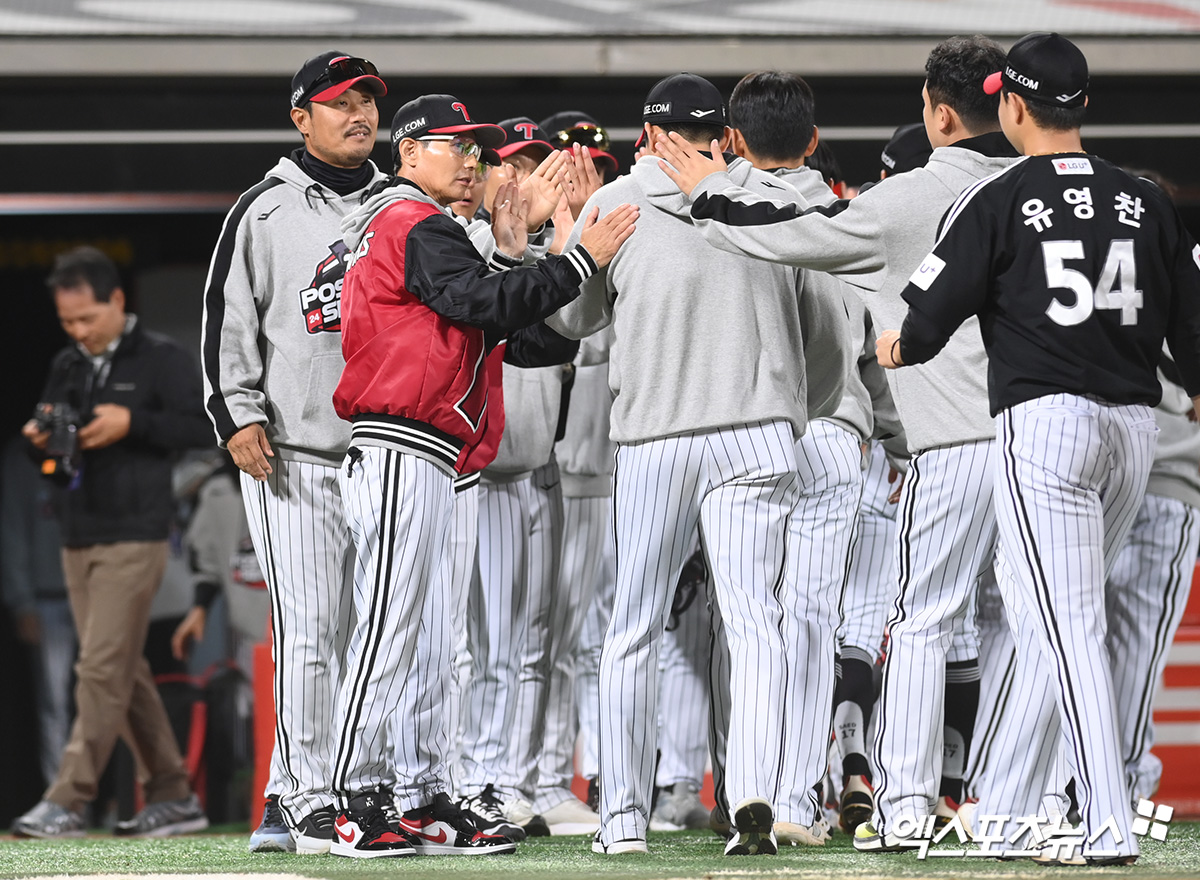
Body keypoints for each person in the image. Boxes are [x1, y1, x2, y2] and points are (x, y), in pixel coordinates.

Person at [654, 36, 1018, 850]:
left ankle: (856, 800)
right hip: (1002, 433)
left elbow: (789, 238)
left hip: (823, 432)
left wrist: (714, 191)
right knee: (1026, 631)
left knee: (822, 622)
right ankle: (1005, 800)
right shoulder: (1030, 188)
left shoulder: (892, 204)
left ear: (939, 112)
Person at [876, 31, 1200, 865]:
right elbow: (1192, 345)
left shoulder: (998, 196)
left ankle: (1103, 819)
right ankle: (1012, 808)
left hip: (1047, 428)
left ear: (1011, 106)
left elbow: (920, 327)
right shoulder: (1148, 198)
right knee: (1046, 622)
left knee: (1066, 631)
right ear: (1082, 104)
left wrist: (894, 347)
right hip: (1134, 432)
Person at [325, 93, 635, 858]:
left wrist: (523, 251)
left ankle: (427, 791)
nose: (470, 161)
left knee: (434, 641)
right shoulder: (409, 220)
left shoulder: (430, 229)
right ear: (408, 154)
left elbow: (527, 343)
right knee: (391, 632)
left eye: (475, 149)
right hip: (397, 444)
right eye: (452, 146)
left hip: (429, 452)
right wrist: (573, 260)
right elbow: (481, 300)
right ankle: (353, 798)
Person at [548, 72, 819, 857]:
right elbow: (823, 330)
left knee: (632, 625)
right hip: (757, 432)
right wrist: (798, 405)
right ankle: (755, 795)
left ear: (648, 133)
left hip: (657, 436)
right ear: (724, 137)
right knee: (755, 623)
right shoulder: (770, 198)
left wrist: (572, 234)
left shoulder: (614, 205)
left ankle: (624, 818)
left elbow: (571, 321)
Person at [201, 50, 388, 855]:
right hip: (296, 453)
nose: (361, 116)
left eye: (370, 102)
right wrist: (236, 414)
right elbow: (226, 325)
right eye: (341, 102)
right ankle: (308, 793)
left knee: (382, 635)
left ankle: (337, 789)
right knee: (311, 630)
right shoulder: (263, 210)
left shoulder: (405, 204)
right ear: (300, 116)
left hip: (390, 453)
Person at [12, 246, 212, 839]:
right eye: (67, 322)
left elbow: (204, 427)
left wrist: (134, 423)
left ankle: (67, 797)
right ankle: (175, 795)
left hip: (136, 532)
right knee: (122, 671)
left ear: (117, 301)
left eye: (86, 319)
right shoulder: (67, 364)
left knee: (98, 667)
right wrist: (36, 438)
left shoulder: (161, 358)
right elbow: (51, 429)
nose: (77, 331)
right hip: (77, 533)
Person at [1, 436, 76, 791]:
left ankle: (111, 798)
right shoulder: (21, 463)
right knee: (55, 703)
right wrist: (22, 602)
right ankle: (59, 795)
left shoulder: (85, 448)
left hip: (92, 592)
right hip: (47, 598)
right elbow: (12, 533)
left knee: (106, 696)